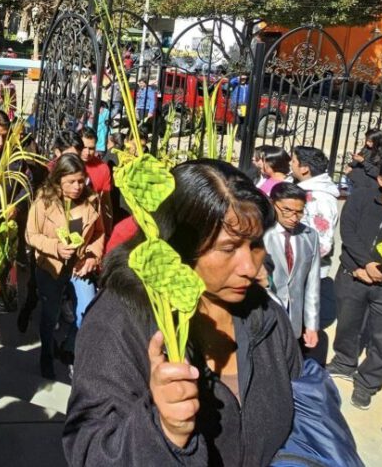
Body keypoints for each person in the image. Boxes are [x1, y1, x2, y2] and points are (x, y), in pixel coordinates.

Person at [64, 160, 301, 466]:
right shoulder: (117, 321)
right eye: (228, 248)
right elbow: (89, 452)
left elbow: (306, 416)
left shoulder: (265, 315)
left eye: (254, 244)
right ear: (178, 248)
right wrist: (163, 430)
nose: (250, 267)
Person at [328, 160, 382, 410]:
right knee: (347, 323)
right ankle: (344, 362)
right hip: (354, 274)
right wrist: (364, 265)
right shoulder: (361, 199)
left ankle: (367, 383)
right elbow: (348, 232)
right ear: (381, 181)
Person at [26, 154, 104, 379]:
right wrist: (55, 248)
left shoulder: (91, 200)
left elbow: (99, 232)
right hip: (50, 267)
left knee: (86, 311)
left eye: (81, 181)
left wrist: (92, 256)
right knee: (50, 316)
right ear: (58, 179)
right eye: (71, 181)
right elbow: (31, 235)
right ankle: (46, 354)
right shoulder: (44, 201)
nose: (77, 187)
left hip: (79, 266)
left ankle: (71, 348)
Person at [263, 183, 320, 351]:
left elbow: (312, 283)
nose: (294, 218)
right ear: (272, 203)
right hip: (265, 313)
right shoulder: (261, 233)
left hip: (293, 317)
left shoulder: (310, 236)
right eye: (287, 210)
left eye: (299, 212)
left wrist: (311, 324)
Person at [290, 146, 340, 277]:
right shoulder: (303, 190)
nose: (290, 164)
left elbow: (322, 243)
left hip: (306, 272)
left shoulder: (320, 198)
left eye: (293, 161)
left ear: (304, 168)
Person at [345, 128, 382, 194]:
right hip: (355, 182)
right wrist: (351, 166)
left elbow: (380, 173)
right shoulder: (368, 148)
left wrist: (363, 161)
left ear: (378, 141)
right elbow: (359, 158)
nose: (367, 143)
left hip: (368, 188)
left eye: (370, 141)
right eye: (367, 140)